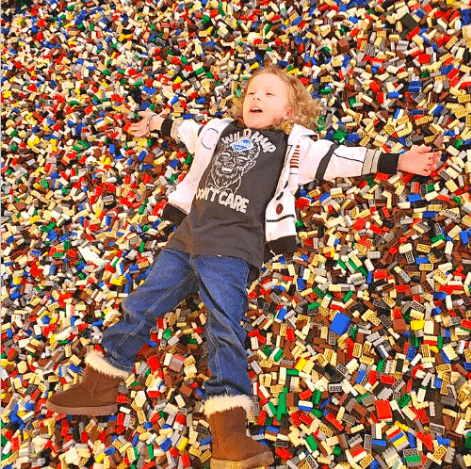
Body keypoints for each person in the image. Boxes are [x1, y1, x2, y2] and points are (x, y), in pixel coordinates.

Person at [46, 65, 441, 469]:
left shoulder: (292, 147)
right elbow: (187, 131)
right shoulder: (220, 132)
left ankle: (229, 433)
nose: (257, 98)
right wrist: (154, 123)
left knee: (224, 328)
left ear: (289, 112)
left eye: (269, 95)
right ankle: (98, 387)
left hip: (233, 251)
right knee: (140, 305)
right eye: (252, 92)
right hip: (185, 241)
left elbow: (341, 158)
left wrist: (399, 160)